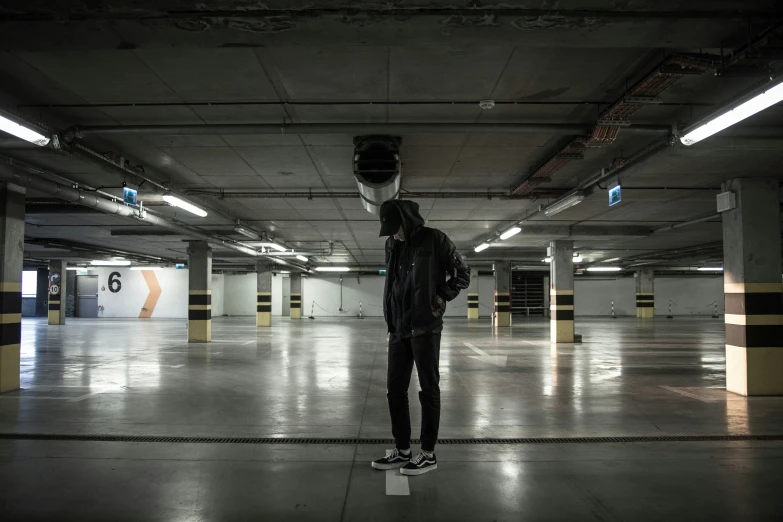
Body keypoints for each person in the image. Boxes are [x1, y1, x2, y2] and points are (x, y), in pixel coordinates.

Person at [371, 199, 470, 476]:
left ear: (407, 220)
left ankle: (428, 453)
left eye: (395, 228)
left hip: (425, 328)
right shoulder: (392, 244)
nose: (393, 234)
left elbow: (463, 274)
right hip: (398, 329)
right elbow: (394, 281)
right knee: (395, 391)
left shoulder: (435, 239)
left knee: (429, 391)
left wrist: (441, 296)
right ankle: (403, 450)